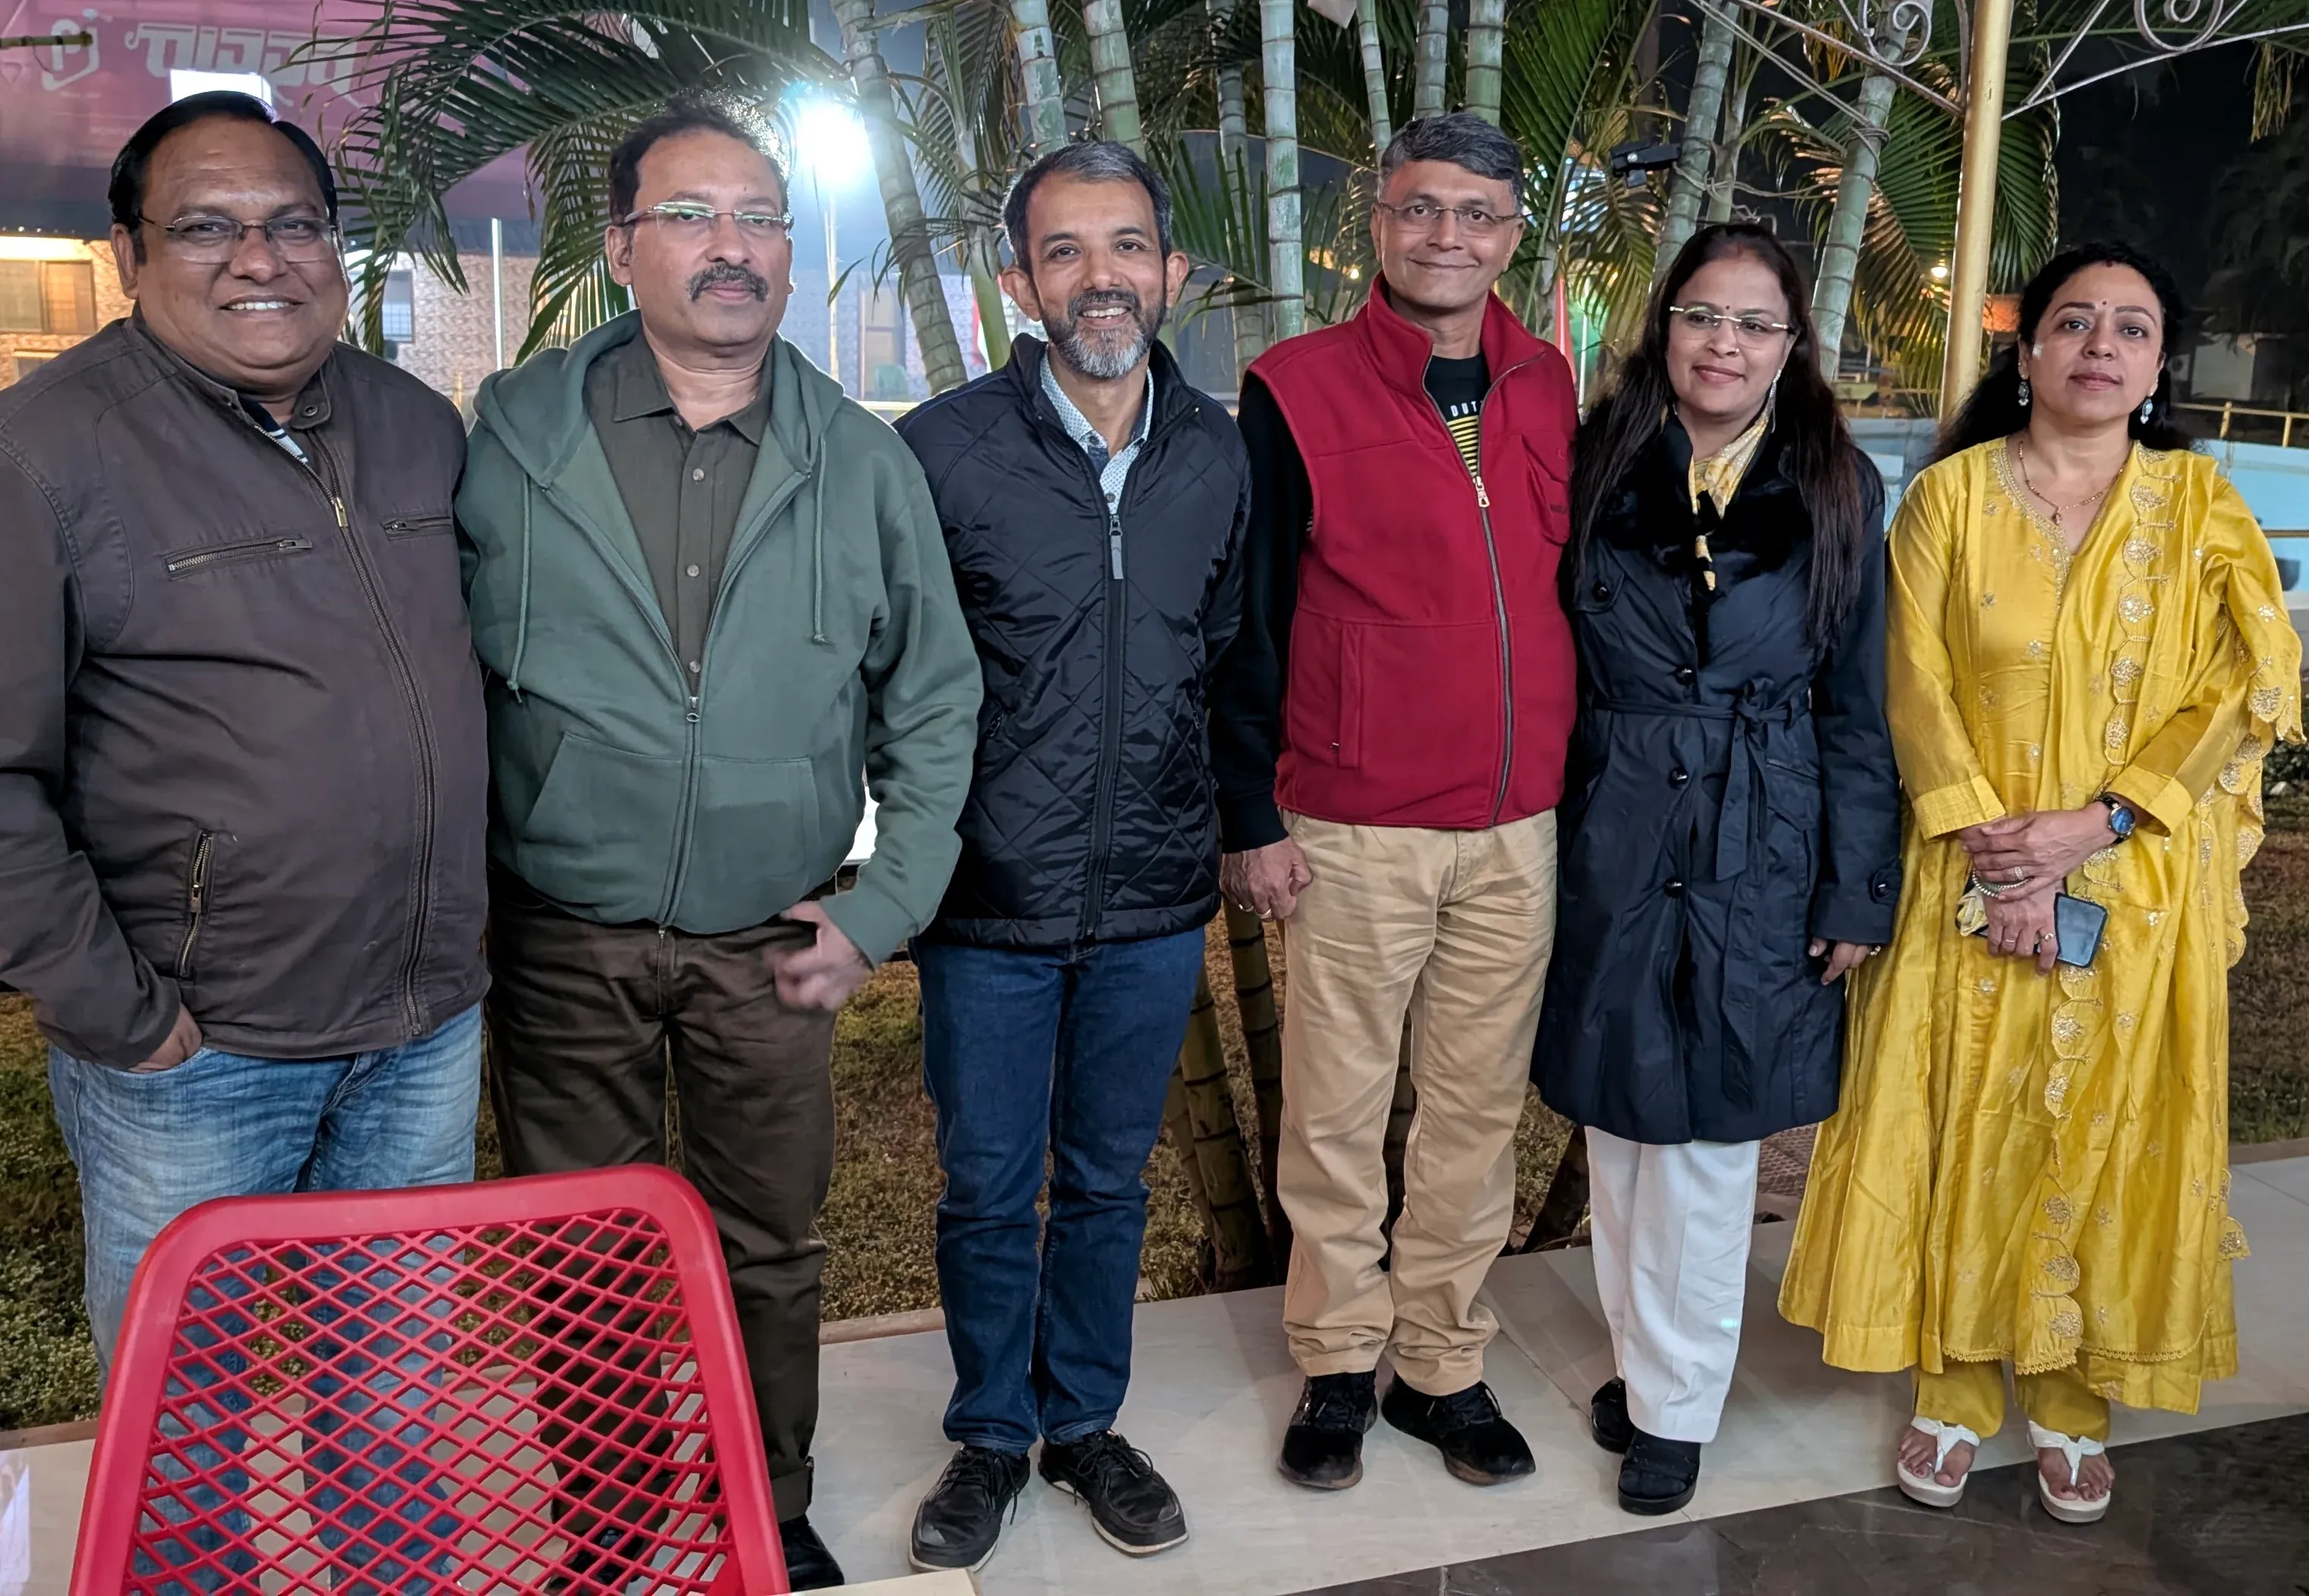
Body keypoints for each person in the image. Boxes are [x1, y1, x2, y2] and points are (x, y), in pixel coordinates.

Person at [454, 96, 980, 1588]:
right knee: (583, 1257)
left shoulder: (859, 461)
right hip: (563, 932)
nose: (731, 245)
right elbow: (438, 669)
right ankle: (607, 1521)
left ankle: (766, 1487)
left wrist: (883, 909)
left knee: (768, 1241)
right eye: (690, 214)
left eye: (758, 217)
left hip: (775, 936)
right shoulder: (513, 435)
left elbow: (934, 698)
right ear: (623, 245)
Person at [1781, 241, 2300, 1525]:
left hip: (2131, 885)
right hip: (1968, 877)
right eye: (2074, 323)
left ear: (2157, 364)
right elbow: (1910, 683)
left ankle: (2073, 1403)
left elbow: (2242, 685)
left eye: (2130, 329)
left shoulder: (2203, 507)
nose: (2100, 348)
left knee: (2106, 1127)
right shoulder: (1950, 499)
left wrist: (2103, 823)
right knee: (1965, 1114)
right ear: (2030, 353)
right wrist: (1996, 848)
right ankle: (1954, 1389)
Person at [0, 90, 489, 1363]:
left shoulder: (414, 426)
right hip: (199, 1051)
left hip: (420, 1027)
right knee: (187, 1413)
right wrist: (124, 1016)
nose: (262, 259)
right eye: (208, 226)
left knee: (391, 1390)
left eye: (297, 225)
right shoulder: (45, 455)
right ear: (129, 255)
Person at [892, 140, 1247, 1574]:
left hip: (1157, 894)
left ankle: (1084, 1421)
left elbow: (1230, 653)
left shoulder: (1218, 448)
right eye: (1066, 251)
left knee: (1107, 1182)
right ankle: (989, 1433)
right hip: (987, 899)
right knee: (987, 1185)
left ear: (1171, 270)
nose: (1100, 277)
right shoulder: (942, 449)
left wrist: (1237, 830)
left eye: (1127, 248)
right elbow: (891, 675)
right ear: (1018, 281)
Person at [1209, 112, 1579, 1491]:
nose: (1449, 239)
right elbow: (1247, 620)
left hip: (1516, 825)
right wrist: (1250, 814)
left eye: (1478, 215)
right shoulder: (1294, 387)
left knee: (1477, 1112)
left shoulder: (1551, 385)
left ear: (1510, 235)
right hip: (1352, 822)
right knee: (1339, 1110)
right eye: (1423, 211)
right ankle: (1335, 1360)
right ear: (1380, 224)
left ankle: (1443, 1363)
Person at [1533, 223, 1899, 1515]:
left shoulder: (1838, 485)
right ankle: (1645, 1369)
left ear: (1792, 346)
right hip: (1617, 823)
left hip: (1764, 832)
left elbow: (1862, 706)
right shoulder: (1595, 462)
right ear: (1665, 325)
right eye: (1702, 316)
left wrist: (1857, 887)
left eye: (1754, 324)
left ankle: (1678, 1407)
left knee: (1706, 1143)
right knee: (1623, 1126)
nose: (1724, 344)